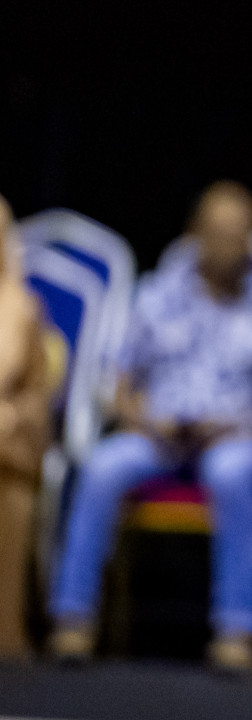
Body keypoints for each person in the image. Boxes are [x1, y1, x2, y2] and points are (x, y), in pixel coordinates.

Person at [48, 182, 252, 671]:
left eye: (240, 235)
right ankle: (74, 618)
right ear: (194, 234)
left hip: (239, 438)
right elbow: (118, 382)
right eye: (218, 234)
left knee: (231, 472)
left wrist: (250, 425)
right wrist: (145, 417)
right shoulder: (157, 295)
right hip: (160, 436)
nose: (228, 245)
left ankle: (237, 630)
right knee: (103, 465)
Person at [0, 196, 58, 660]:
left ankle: (6, 629)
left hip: (6, 446)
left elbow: (36, 395)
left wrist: (15, 417)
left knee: (14, 487)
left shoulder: (22, 307)